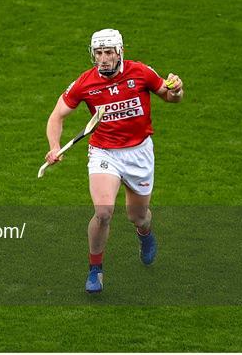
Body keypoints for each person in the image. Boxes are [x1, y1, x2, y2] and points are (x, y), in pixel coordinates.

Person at [43, 28, 184, 293]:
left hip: (139, 152)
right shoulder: (85, 83)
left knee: (138, 216)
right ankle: (95, 269)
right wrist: (54, 146)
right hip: (104, 152)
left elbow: (170, 96)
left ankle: (145, 234)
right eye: (98, 53)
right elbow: (56, 116)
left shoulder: (141, 72)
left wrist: (177, 90)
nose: (104, 58)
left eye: (108, 52)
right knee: (103, 212)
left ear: (120, 52)